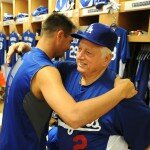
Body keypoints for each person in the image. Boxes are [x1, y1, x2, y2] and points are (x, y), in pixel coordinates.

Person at [0, 13, 136, 150]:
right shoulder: (45, 71)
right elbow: (74, 116)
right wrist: (120, 91)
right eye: (71, 42)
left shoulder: (27, 57)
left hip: (8, 141)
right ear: (59, 36)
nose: (69, 48)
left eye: (87, 52)